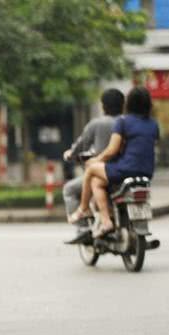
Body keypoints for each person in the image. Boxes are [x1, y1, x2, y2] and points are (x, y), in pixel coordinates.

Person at [68, 87, 159, 237]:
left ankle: (90, 212)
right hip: (147, 171)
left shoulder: (123, 122)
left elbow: (111, 151)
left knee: (92, 174)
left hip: (126, 169)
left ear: (128, 103)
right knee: (98, 180)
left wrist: (94, 161)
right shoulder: (153, 124)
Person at [62, 89, 124, 239]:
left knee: (69, 189)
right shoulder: (127, 122)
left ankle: (83, 229)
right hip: (125, 172)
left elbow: (81, 145)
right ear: (123, 104)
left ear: (103, 106)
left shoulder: (97, 124)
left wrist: (70, 154)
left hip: (105, 172)